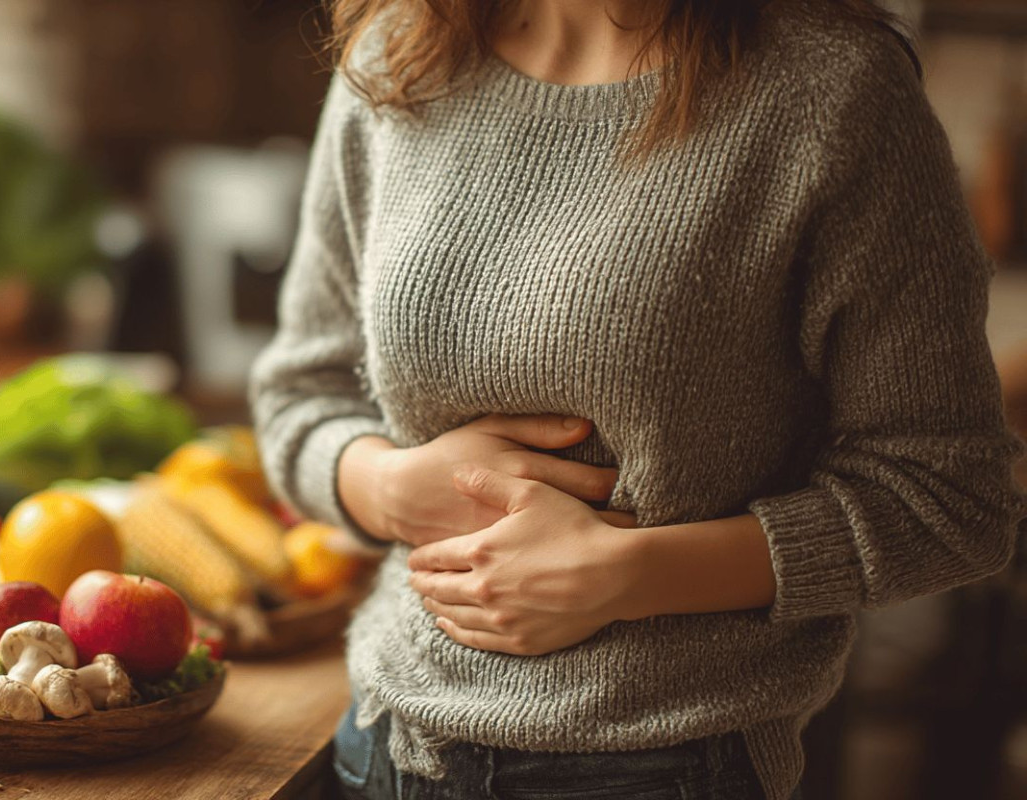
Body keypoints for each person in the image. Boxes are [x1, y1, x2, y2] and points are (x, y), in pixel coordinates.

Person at [249, 0, 1027, 798]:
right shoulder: (398, 52)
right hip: (388, 747)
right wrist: (388, 489)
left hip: (665, 765)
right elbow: (298, 394)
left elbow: (946, 498)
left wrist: (631, 575)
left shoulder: (831, 88)